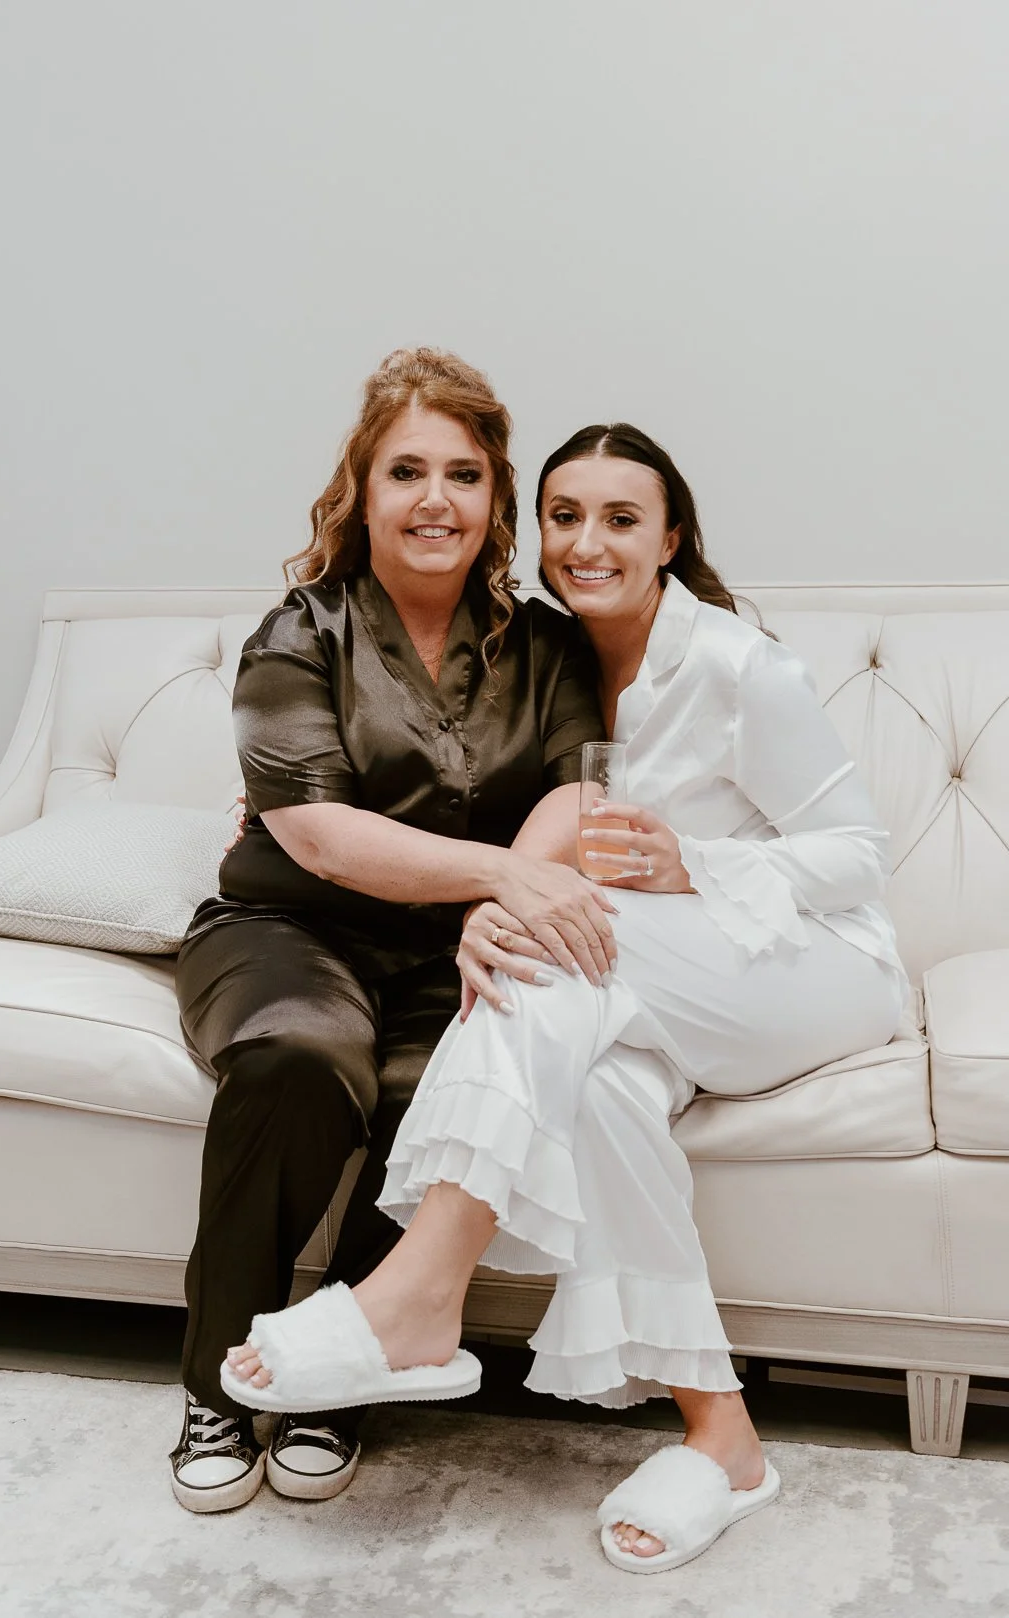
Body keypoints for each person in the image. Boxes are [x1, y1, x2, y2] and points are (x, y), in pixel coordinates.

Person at [221, 423, 909, 1572]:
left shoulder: (737, 664)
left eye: (621, 519)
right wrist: (491, 884)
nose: (588, 542)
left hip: (814, 965)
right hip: (669, 982)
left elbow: (859, 857)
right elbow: (485, 805)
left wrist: (692, 864)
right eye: (565, 516)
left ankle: (417, 1293)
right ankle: (726, 1438)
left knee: (544, 950)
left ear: (671, 538)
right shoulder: (550, 658)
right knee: (596, 1092)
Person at [168, 351, 615, 1512]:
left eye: (463, 474)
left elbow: (581, 785)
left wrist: (499, 903)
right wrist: (508, 874)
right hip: (286, 926)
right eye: (406, 471)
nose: (435, 499)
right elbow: (316, 834)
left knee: (439, 1091)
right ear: (360, 492)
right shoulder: (296, 633)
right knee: (301, 1061)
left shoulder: (550, 645)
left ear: (495, 497)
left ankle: (344, 1371)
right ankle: (218, 1384)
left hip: (454, 943)